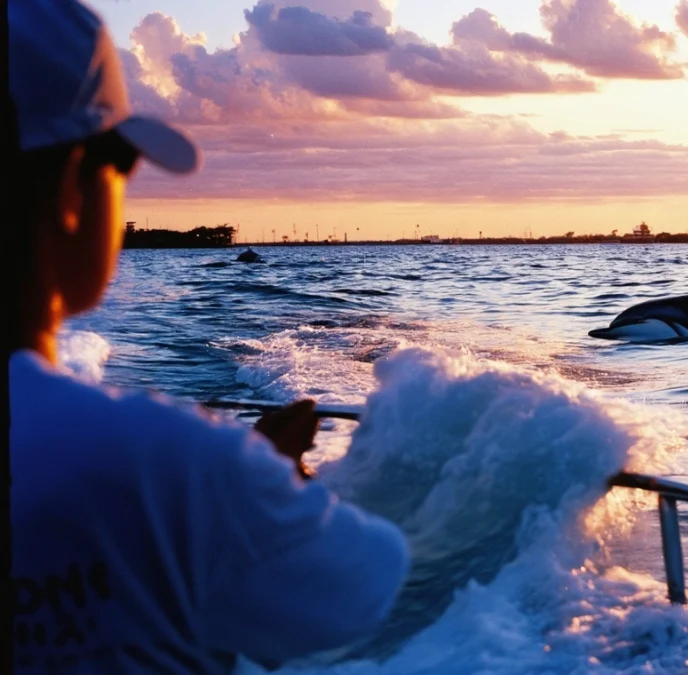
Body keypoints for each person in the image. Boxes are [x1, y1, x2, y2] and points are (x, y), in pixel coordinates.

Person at [6, 1, 410, 672]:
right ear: (75, 185)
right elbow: (366, 584)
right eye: (124, 166)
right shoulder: (173, 468)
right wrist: (259, 481)